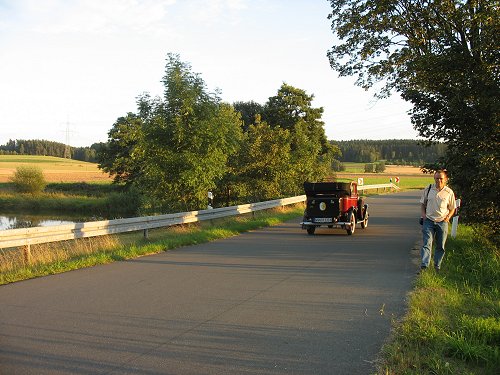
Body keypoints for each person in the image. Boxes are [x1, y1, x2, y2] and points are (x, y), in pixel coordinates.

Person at [419, 170, 456, 272]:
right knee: (427, 243)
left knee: (440, 245)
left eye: (441, 178)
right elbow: (422, 203)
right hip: (429, 221)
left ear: (445, 179)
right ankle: (425, 265)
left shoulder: (449, 192)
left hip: (442, 222)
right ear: (434, 178)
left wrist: (448, 217)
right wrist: (423, 215)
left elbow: (452, 208)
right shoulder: (429, 189)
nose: (439, 180)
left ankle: (437, 265)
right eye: (437, 178)